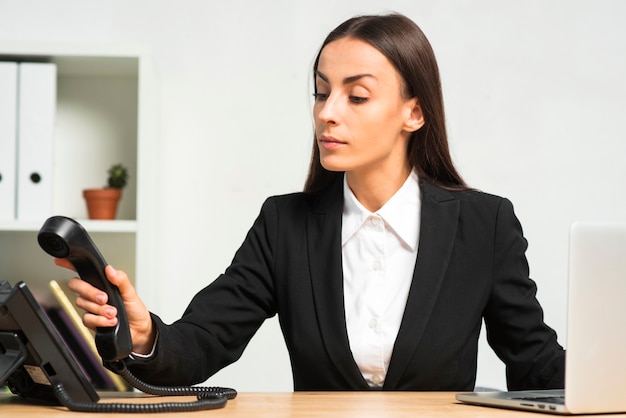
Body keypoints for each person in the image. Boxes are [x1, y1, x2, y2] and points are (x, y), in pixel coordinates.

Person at [56, 13, 565, 391]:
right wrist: (145, 336)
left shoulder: (483, 224)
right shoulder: (285, 224)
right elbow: (204, 342)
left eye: (356, 96)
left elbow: (535, 364)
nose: (328, 114)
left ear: (414, 112)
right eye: (322, 93)